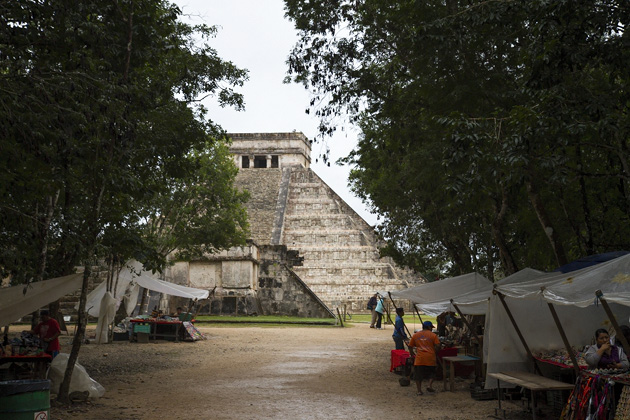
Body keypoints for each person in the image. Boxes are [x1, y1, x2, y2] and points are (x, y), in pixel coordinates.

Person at [408, 320, 441, 395]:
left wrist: (412, 354)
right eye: (431, 327)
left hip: (419, 358)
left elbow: (410, 346)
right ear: (429, 327)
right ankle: (429, 385)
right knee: (432, 373)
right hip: (430, 357)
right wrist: (436, 351)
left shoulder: (416, 335)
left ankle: (419, 391)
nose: (432, 329)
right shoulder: (433, 335)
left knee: (418, 376)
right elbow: (438, 345)